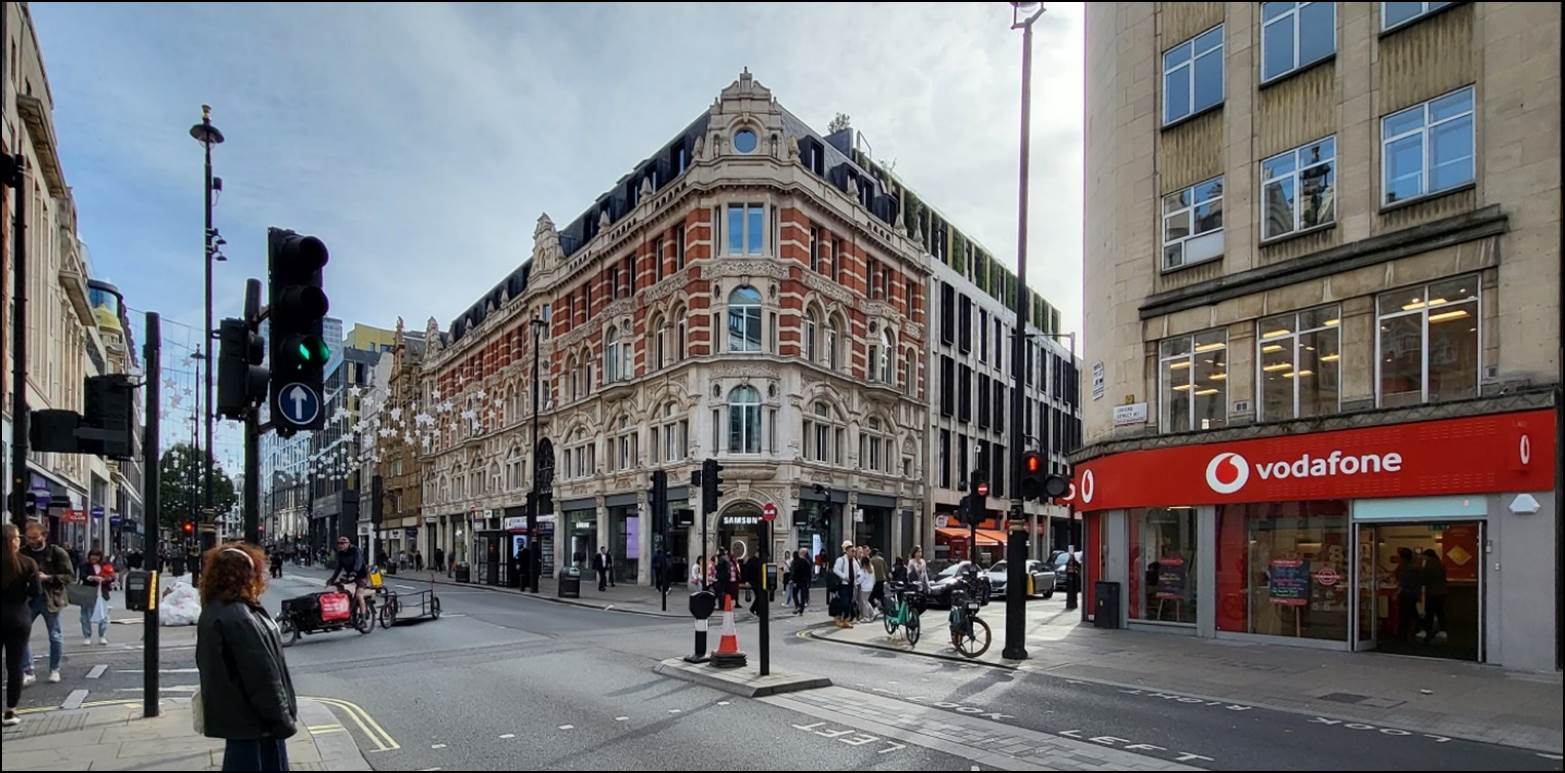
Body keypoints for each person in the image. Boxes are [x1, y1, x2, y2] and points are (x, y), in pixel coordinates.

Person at [196, 543, 298, 772]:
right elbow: (262, 677)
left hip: (241, 720)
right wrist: (282, 720)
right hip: (256, 724)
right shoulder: (239, 617)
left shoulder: (218, 609)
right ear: (246, 575)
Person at [19, 523, 72, 686]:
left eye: (35, 537)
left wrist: (48, 577)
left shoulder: (57, 552)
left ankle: (54, 669)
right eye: (29, 538)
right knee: (22, 634)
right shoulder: (23, 553)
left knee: (54, 635)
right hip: (29, 599)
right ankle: (28, 670)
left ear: (44, 536)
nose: (32, 541)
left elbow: (69, 577)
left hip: (51, 598)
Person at [3, 523, 41, 727]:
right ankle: (10, 712)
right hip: (18, 617)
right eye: (17, 537)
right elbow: (36, 593)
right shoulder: (28, 564)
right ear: (12, 541)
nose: (20, 540)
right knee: (15, 666)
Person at [326, 536, 371, 620]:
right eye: (338, 543)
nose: (340, 545)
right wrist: (332, 579)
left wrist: (354, 572)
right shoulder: (340, 553)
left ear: (348, 544)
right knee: (341, 591)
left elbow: (358, 562)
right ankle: (346, 610)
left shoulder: (355, 550)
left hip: (361, 575)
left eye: (343, 543)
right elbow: (338, 568)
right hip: (349, 575)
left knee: (358, 595)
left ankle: (363, 616)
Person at [78, 548, 115, 646]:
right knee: (85, 615)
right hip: (88, 592)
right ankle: (87, 636)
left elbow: (112, 577)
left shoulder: (105, 566)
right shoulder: (84, 566)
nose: (94, 558)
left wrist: (108, 579)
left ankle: (102, 636)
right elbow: (83, 576)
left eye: (97, 555)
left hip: (102, 593)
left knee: (103, 615)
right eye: (92, 555)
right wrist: (93, 578)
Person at [1419, 548, 1449, 643]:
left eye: (1424, 556)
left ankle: (1428, 632)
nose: (1423, 558)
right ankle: (1443, 630)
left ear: (1427, 556)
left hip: (1432, 592)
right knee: (1440, 611)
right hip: (1442, 592)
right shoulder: (1440, 563)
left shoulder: (1429, 564)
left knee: (1430, 613)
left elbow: (1424, 578)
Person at [1395, 547, 1423, 642]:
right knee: (1411, 612)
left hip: (1407, 594)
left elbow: (1403, 583)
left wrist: (1397, 592)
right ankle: (1417, 627)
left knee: (1405, 614)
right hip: (1413, 594)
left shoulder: (1406, 569)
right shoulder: (1413, 568)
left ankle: (1402, 634)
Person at [831, 541, 857, 628]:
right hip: (843, 585)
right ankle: (838, 618)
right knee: (844, 602)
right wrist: (844, 576)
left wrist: (857, 580)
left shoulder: (854, 561)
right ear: (847, 551)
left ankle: (845, 620)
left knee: (849, 603)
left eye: (854, 551)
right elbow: (836, 570)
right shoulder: (841, 560)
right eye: (851, 551)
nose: (853, 553)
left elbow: (858, 571)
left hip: (851, 585)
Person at [790, 548, 813, 616]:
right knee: (802, 596)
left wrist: (792, 579)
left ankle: (798, 606)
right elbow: (809, 572)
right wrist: (809, 581)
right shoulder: (804, 561)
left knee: (794, 594)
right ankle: (801, 609)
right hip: (804, 581)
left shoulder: (794, 562)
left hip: (796, 581)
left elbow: (793, 572)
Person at [856, 551, 877, 623]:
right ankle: (873, 613)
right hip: (870, 587)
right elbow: (874, 578)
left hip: (864, 588)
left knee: (864, 602)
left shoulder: (863, 570)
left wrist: (856, 581)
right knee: (866, 601)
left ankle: (866, 616)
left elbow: (859, 580)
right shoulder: (871, 568)